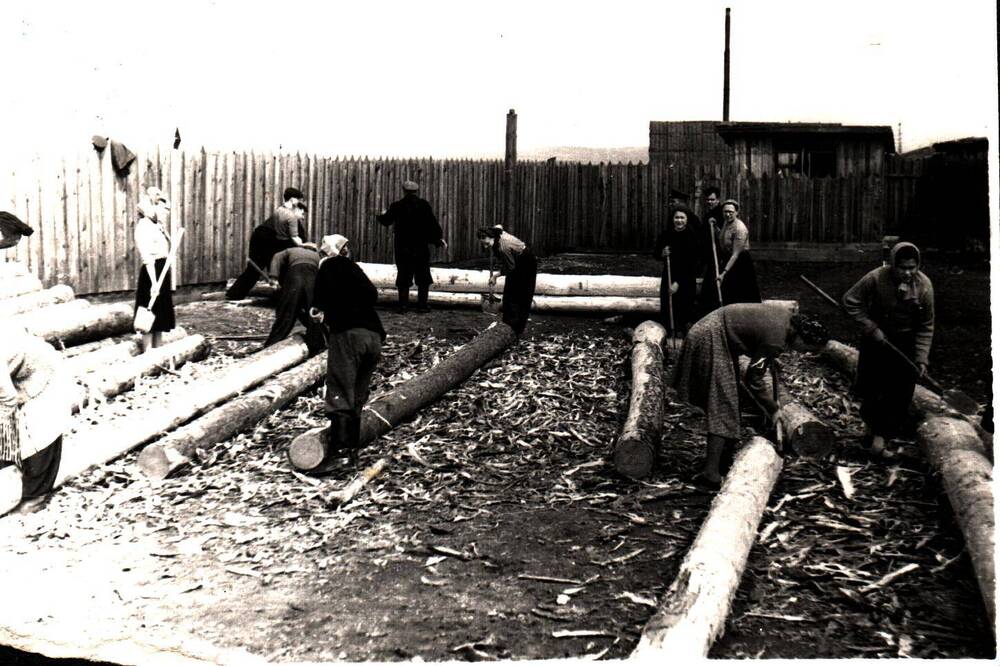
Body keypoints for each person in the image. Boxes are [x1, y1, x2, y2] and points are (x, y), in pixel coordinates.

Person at [671, 303, 830, 488]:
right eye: (806, 349)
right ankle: (711, 474)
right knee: (723, 404)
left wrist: (768, 358)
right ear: (802, 338)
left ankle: (723, 460)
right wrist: (773, 409)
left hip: (715, 331)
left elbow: (759, 344)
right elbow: (753, 379)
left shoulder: (788, 320)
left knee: (728, 400)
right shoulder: (775, 340)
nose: (802, 353)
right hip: (712, 336)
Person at [843, 241, 934, 459]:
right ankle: (872, 431)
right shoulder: (875, 278)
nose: (907, 272)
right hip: (876, 341)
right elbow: (850, 301)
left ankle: (880, 439)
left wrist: (921, 359)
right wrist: (870, 326)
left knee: (900, 392)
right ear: (893, 265)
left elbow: (926, 326)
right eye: (902, 267)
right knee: (871, 387)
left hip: (905, 342)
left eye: (912, 267)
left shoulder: (924, 287)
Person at [310, 234, 386, 466]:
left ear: (326, 253)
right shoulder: (354, 268)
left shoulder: (327, 267)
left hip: (348, 334)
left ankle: (340, 454)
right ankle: (353, 449)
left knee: (341, 387)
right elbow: (372, 295)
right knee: (358, 391)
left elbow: (317, 302)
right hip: (374, 335)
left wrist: (321, 312)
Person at [1, 325, 74, 512]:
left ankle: (36, 497)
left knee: (39, 437)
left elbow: (8, 399)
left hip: (43, 375)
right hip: (15, 371)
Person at [376, 180, 447, 313]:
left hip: (403, 248)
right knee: (423, 276)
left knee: (403, 275)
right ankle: (422, 306)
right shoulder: (423, 205)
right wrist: (438, 240)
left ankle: (403, 306)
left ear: (404, 191)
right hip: (420, 247)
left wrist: (381, 214)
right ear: (416, 191)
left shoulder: (397, 206)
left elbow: (386, 221)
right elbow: (432, 224)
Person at [226, 187, 308, 300]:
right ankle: (235, 294)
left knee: (263, 268)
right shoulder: (290, 216)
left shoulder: (282, 212)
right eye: (302, 212)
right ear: (295, 203)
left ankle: (235, 294)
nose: (303, 216)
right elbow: (296, 240)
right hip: (265, 240)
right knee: (261, 268)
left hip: (265, 238)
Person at [134, 186, 177, 351]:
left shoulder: (158, 226)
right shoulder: (143, 227)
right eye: (161, 209)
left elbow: (167, 248)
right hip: (152, 273)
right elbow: (147, 257)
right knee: (149, 309)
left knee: (160, 313)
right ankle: (148, 352)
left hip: (162, 269)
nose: (165, 213)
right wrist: (154, 284)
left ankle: (158, 351)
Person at [264, 245, 326, 352]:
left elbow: (276, 257)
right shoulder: (318, 256)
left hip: (295, 273)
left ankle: (272, 343)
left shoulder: (291, 250)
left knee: (287, 311)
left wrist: (274, 277)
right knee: (313, 310)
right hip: (313, 275)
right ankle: (316, 345)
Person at [478, 225, 537, 335]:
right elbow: (499, 226)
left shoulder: (503, 247)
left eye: (487, 244)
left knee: (519, 294)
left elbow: (511, 268)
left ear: (492, 238)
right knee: (509, 293)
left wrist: (495, 276)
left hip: (526, 262)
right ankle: (508, 324)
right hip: (517, 259)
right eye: (483, 245)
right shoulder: (497, 232)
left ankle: (515, 329)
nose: (486, 247)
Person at [652, 206, 701, 334]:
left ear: (687, 219)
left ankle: (683, 333)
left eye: (682, 218)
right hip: (669, 274)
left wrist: (677, 282)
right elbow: (656, 254)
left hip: (686, 277)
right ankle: (668, 333)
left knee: (684, 305)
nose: (679, 220)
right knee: (668, 304)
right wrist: (663, 253)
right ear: (672, 219)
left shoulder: (692, 236)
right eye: (676, 217)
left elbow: (693, 263)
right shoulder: (666, 235)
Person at [709, 199, 761, 308]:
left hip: (740, 262)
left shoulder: (740, 229)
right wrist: (715, 228)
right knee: (727, 290)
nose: (728, 214)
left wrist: (723, 273)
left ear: (736, 212)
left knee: (739, 292)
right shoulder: (726, 223)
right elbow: (724, 237)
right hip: (729, 258)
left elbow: (735, 254)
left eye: (731, 212)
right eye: (725, 212)